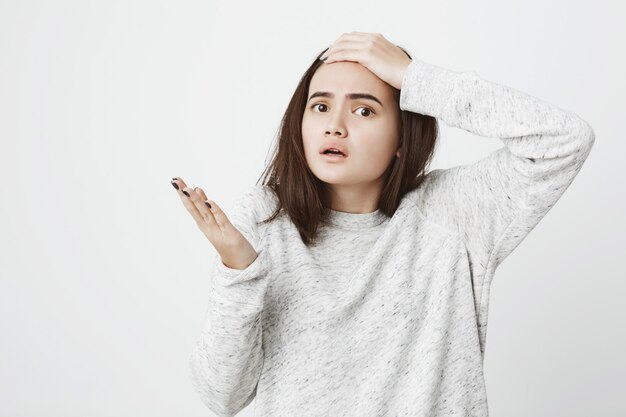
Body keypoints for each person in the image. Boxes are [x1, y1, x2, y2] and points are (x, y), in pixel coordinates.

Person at [173, 31, 595, 417]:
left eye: (364, 110)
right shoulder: (266, 220)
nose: (335, 126)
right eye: (320, 106)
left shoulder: (453, 212)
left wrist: (416, 79)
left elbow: (563, 140)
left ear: (401, 139)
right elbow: (221, 395)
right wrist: (238, 270)